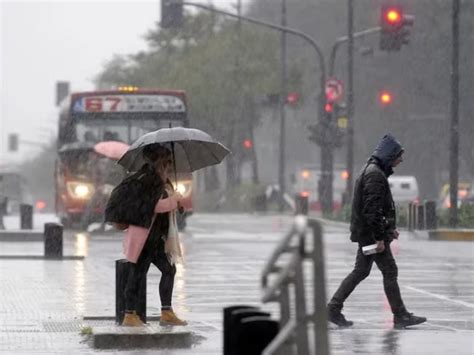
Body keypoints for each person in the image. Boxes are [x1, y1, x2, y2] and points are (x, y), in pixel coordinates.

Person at [327, 133, 427, 329]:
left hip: (369, 234)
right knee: (387, 270)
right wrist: (379, 238)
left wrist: (389, 229)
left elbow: (376, 208)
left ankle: (334, 308)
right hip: (371, 236)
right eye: (398, 155)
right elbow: (372, 210)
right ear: (389, 155)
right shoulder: (375, 174)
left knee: (362, 271)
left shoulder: (373, 171)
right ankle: (399, 315)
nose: (401, 159)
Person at [105, 144, 187, 327]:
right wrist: (173, 201)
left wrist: (177, 203)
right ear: (157, 160)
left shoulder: (161, 179)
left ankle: (166, 312)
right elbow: (154, 206)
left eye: (169, 161)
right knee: (138, 274)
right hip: (144, 235)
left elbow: (165, 204)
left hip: (155, 236)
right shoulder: (148, 179)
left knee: (168, 270)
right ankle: (129, 315)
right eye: (166, 161)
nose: (169, 165)